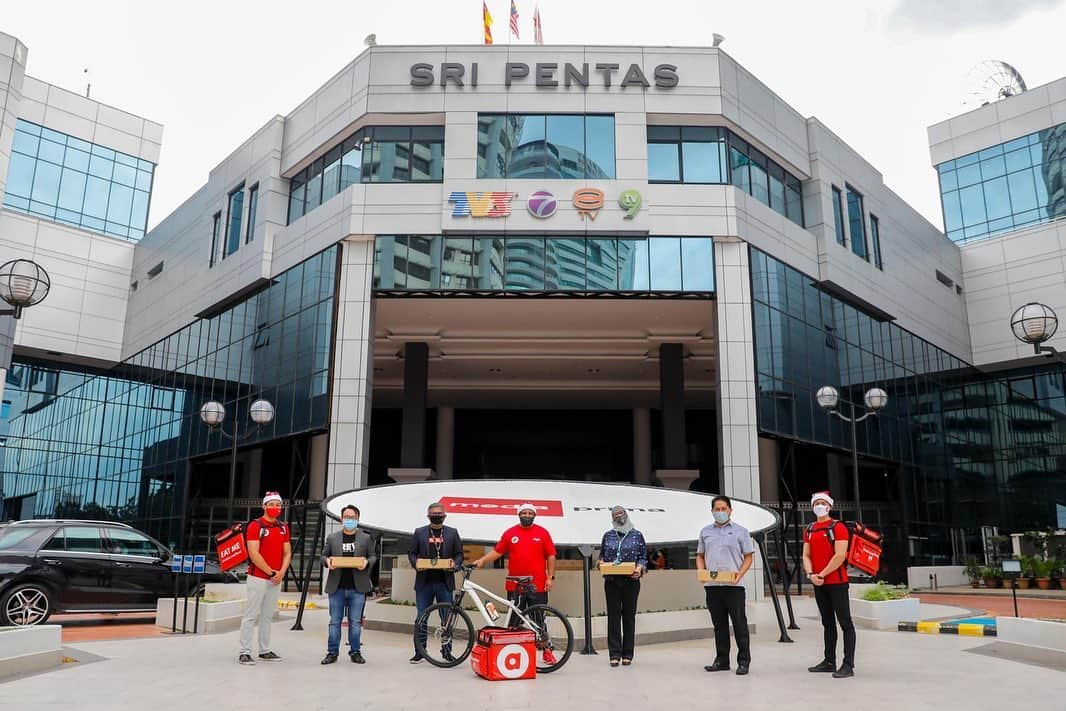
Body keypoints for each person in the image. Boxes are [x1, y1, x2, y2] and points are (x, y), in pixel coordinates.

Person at [473, 502, 557, 665]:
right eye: (524, 513)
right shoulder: (510, 533)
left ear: (534, 515)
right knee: (513, 622)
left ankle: (547, 651)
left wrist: (550, 577)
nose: (527, 515)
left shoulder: (542, 533)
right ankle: (511, 654)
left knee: (539, 619)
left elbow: (551, 556)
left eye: (529, 513)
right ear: (519, 515)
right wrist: (482, 560)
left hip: (537, 584)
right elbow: (497, 552)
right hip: (515, 586)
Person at [696, 494, 754, 676]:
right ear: (712, 511)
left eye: (723, 509)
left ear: (730, 510)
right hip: (713, 586)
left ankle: (743, 662)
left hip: (734, 586)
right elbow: (700, 555)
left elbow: (748, 556)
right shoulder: (705, 532)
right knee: (719, 624)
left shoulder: (741, 531)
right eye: (717, 509)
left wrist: (740, 573)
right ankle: (721, 660)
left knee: (739, 624)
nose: (720, 512)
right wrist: (701, 572)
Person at [803, 491, 856, 679]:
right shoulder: (809, 528)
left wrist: (822, 574)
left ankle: (848, 664)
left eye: (822, 503)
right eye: (816, 503)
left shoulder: (838, 527)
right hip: (818, 582)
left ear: (829, 506)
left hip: (837, 582)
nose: (819, 505)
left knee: (845, 623)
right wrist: (811, 575)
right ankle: (829, 661)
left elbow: (840, 555)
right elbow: (806, 555)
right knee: (827, 623)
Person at [238, 491, 292, 665]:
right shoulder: (255, 526)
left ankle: (264, 650)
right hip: (258, 577)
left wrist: (281, 572)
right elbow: (254, 553)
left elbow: (287, 552)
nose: (275, 508)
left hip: (275, 578)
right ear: (264, 506)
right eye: (272, 504)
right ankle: (245, 652)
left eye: (278, 505)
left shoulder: (283, 527)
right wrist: (271, 572)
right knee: (251, 615)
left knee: (267, 616)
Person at [408, 501, 464, 664]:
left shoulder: (452, 533)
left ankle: (447, 652)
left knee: (446, 619)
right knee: (421, 618)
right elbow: (412, 552)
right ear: (428, 515)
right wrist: (416, 563)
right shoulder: (420, 532)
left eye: (440, 515)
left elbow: (459, 554)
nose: (437, 517)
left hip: (445, 582)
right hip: (424, 582)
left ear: (445, 516)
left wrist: (456, 564)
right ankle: (420, 651)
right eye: (434, 514)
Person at [321, 504, 376, 665]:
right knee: (334, 622)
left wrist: (366, 562)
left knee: (355, 623)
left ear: (358, 519)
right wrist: (327, 561)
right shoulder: (332, 538)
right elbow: (323, 556)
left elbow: (373, 556)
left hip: (357, 588)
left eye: (352, 517)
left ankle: (355, 652)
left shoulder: (365, 538)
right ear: (341, 519)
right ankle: (332, 653)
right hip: (336, 587)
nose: (349, 520)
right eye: (347, 517)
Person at [598, 506, 647, 667]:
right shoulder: (608, 535)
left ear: (626, 515)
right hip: (612, 581)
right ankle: (614, 654)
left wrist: (639, 569)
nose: (619, 517)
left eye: (621, 514)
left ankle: (627, 654)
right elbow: (601, 558)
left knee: (628, 617)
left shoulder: (637, 535)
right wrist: (601, 564)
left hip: (631, 582)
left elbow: (643, 557)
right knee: (613, 617)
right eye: (615, 515)